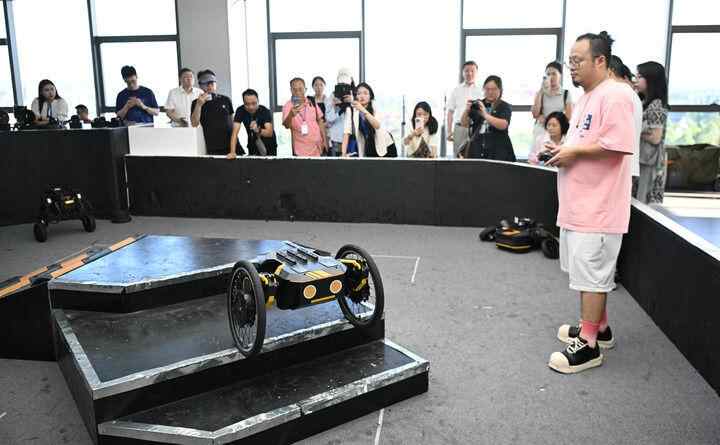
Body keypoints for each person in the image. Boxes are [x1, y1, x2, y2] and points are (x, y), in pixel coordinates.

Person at [544, 31, 635, 374]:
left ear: (600, 60)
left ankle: (590, 344)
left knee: (593, 274)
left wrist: (574, 152)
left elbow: (618, 145)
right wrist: (563, 151)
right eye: (570, 61)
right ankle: (599, 327)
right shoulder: (587, 98)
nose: (572, 67)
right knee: (587, 275)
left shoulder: (616, 94)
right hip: (579, 204)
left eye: (578, 61)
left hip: (599, 208)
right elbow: (584, 143)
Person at [635, 61, 669, 204]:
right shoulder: (645, 101)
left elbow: (655, 137)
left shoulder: (656, 105)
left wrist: (636, 131)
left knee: (644, 201)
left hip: (650, 160)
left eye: (639, 77)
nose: (636, 80)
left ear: (651, 80)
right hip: (644, 158)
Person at [460, 75, 515, 161]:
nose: (490, 92)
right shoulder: (478, 104)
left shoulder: (504, 106)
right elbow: (464, 124)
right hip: (477, 149)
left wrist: (485, 114)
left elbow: (503, 125)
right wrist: (466, 110)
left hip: (498, 150)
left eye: (493, 89)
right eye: (487, 89)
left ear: (500, 90)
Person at [608, 56, 643, 193]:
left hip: (620, 168)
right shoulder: (629, 94)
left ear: (609, 71)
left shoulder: (620, 94)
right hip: (627, 167)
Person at [191, 69, 242, 156]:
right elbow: (194, 123)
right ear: (200, 85)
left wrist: (235, 140)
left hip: (232, 143)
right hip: (214, 146)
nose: (210, 86)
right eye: (206, 83)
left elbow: (233, 122)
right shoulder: (196, 103)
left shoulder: (226, 99)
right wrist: (199, 105)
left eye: (212, 82)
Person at [341, 82, 396, 158]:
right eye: (359, 93)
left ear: (370, 96)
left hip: (385, 145)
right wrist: (343, 153)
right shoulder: (351, 110)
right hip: (368, 147)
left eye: (365, 93)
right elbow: (346, 132)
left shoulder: (374, 106)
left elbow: (377, 125)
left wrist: (362, 109)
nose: (362, 96)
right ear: (355, 96)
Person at [282, 77, 326, 157]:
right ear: (291, 90)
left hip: (318, 148)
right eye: (294, 89)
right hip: (301, 151)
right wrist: (291, 115)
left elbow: (320, 121)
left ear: (305, 89)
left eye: (300, 89)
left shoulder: (311, 102)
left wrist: (325, 141)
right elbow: (286, 125)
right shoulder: (288, 106)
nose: (297, 92)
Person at [531, 61, 573, 144]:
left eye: (554, 74)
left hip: (557, 132)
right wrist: (541, 90)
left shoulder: (566, 93)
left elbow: (568, 117)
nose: (551, 77)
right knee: (540, 151)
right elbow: (535, 114)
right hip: (541, 131)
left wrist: (550, 121)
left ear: (560, 75)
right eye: (548, 74)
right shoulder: (540, 93)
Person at [447, 61, 483, 157]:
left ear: (476, 73)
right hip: (460, 128)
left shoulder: (482, 90)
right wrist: (449, 131)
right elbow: (450, 111)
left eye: (472, 71)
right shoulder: (456, 90)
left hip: (476, 128)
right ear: (462, 72)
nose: (469, 73)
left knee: (475, 157)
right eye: (466, 71)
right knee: (458, 156)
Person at [229, 89, 277, 158]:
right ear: (243, 103)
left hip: (269, 145)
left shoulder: (264, 111)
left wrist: (258, 130)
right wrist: (232, 152)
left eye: (254, 103)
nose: (251, 107)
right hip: (252, 143)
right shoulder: (240, 110)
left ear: (258, 101)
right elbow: (234, 133)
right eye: (247, 104)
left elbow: (269, 133)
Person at [325, 68, 355, 157]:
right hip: (337, 138)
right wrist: (337, 108)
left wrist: (352, 102)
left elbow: (361, 115)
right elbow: (329, 119)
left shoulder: (356, 95)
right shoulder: (332, 97)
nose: (343, 87)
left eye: (346, 84)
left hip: (353, 138)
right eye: (341, 84)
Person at [309, 76, 331, 154]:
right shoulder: (310, 101)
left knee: (326, 151)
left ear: (324, 86)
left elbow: (331, 116)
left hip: (327, 130)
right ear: (313, 87)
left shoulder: (328, 100)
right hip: (314, 130)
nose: (319, 87)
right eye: (316, 85)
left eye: (321, 85)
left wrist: (325, 124)